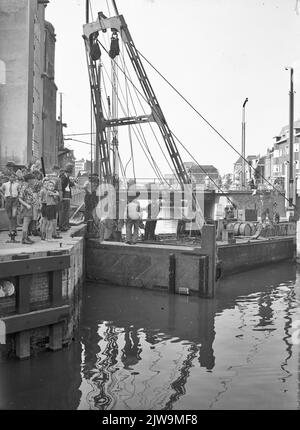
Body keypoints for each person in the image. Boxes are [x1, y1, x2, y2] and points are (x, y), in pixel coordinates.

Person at [0, 173, 20, 239]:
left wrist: (18, 198)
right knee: (9, 216)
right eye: (11, 177)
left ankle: (14, 229)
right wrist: (4, 197)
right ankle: (11, 230)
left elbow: (19, 192)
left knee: (14, 215)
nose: (12, 178)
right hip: (8, 200)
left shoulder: (17, 184)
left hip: (14, 200)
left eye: (13, 177)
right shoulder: (5, 184)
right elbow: (1, 190)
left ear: (15, 178)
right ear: (9, 177)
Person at [18, 173, 36, 244]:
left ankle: (26, 237)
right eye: (33, 179)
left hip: (30, 206)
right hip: (26, 207)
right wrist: (26, 205)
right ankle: (24, 238)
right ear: (29, 180)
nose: (34, 180)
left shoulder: (29, 187)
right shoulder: (24, 187)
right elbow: (19, 198)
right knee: (26, 223)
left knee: (28, 222)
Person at [59, 164, 75, 231]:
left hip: (67, 196)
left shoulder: (66, 177)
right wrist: (61, 196)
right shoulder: (63, 177)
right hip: (64, 196)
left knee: (66, 211)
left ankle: (66, 224)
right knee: (64, 211)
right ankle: (63, 225)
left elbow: (69, 184)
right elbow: (62, 187)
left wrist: (73, 183)